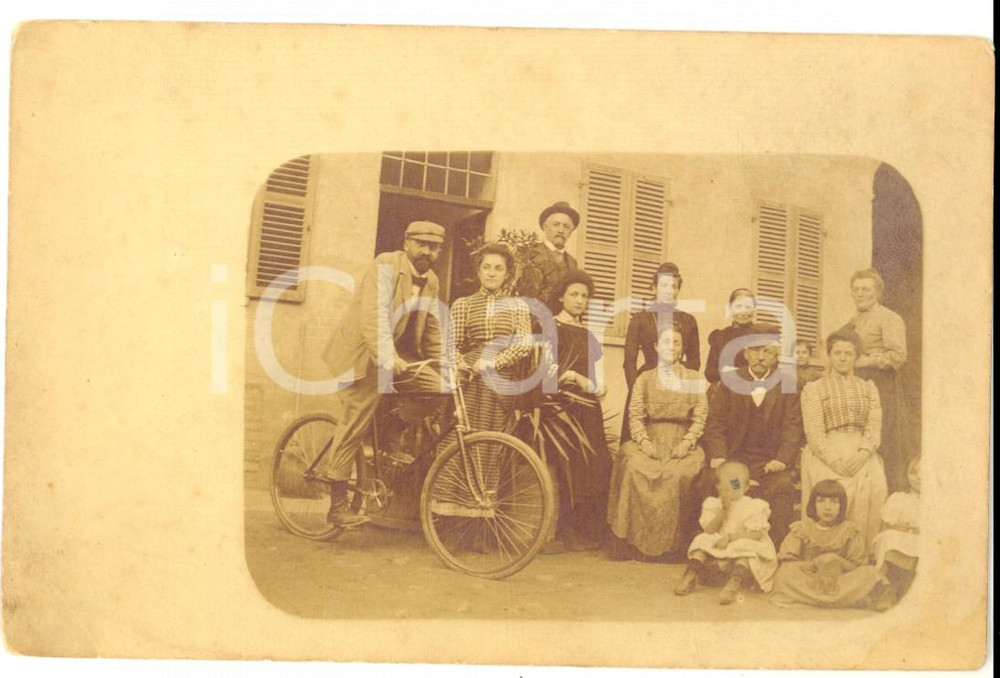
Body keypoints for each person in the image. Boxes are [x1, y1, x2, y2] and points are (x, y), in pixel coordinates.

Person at [319, 221, 448, 527]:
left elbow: (430, 328)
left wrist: (445, 365)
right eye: (421, 244)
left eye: (434, 247)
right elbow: (373, 316)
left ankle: (390, 431)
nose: (427, 252)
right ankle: (337, 505)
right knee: (356, 419)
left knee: (440, 390)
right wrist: (388, 356)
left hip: (398, 359)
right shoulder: (386, 265)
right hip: (363, 354)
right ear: (407, 243)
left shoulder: (431, 281)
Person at [607, 322, 708, 561]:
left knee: (679, 474)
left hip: (681, 440)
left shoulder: (693, 378)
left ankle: (671, 548)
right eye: (665, 342)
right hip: (650, 438)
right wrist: (642, 441)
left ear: (682, 349)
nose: (671, 347)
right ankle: (630, 544)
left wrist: (688, 442)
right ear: (655, 347)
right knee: (633, 467)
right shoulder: (645, 378)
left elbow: (701, 415)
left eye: (676, 342)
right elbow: (635, 414)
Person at [699, 322, 804, 548]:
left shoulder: (787, 383)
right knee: (715, 482)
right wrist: (719, 455)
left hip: (769, 463)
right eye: (755, 350)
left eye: (767, 351)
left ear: (776, 356)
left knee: (783, 487)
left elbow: (792, 427)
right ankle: (713, 545)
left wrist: (782, 459)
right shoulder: (730, 381)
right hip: (736, 461)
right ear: (746, 353)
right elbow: (715, 424)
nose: (760, 356)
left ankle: (773, 548)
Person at [541, 269, 613, 553]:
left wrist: (590, 384)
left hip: (588, 409)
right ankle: (564, 531)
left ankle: (589, 530)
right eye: (574, 294)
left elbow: (601, 383)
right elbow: (547, 372)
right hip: (560, 408)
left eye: (584, 296)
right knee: (567, 467)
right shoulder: (550, 328)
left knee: (598, 465)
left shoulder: (589, 334)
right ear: (561, 296)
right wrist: (571, 376)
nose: (580, 300)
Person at [800, 329, 887, 553]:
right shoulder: (814, 388)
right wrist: (834, 461)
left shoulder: (868, 387)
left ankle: (859, 554)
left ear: (856, 357)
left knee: (875, 487)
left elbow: (874, 425)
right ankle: (826, 553)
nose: (842, 358)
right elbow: (814, 431)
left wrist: (864, 453)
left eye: (848, 353)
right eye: (837, 352)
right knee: (831, 489)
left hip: (861, 449)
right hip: (826, 451)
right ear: (829, 355)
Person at [447, 242, 533, 434]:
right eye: (486, 267)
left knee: (495, 433)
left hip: (501, 377)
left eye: (498, 268)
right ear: (478, 271)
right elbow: (451, 345)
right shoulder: (463, 305)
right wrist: (460, 364)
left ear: (507, 273)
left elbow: (523, 344)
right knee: (463, 430)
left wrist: (493, 363)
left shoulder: (517, 306)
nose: (491, 273)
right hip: (470, 378)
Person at [839, 268, 909, 493]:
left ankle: (887, 494)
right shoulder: (853, 320)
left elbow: (898, 356)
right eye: (856, 289)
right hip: (855, 385)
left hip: (880, 385)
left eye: (866, 289)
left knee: (881, 438)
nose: (860, 294)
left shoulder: (889, 318)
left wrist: (865, 361)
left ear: (878, 292)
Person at [674, 460, 778, 604]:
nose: (731, 489)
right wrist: (723, 512)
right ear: (718, 486)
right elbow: (709, 530)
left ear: (747, 486)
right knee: (702, 539)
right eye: (726, 486)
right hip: (721, 545)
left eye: (736, 484)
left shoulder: (753, 506)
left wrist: (730, 537)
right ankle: (691, 575)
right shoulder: (713, 503)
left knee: (747, 552)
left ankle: (733, 585)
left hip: (744, 541)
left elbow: (756, 535)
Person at [770, 480, 885, 609]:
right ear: (813, 504)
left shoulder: (850, 531)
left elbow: (858, 566)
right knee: (784, 573)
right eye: (821, 501)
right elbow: (788, 563)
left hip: (840, 582)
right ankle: (843, 601)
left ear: (842, 506)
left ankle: (812, 600)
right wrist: (815, 563)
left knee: (869, 572)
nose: (827, 507)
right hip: (810, 581)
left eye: (834, 502)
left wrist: (837, 561)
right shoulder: (802, 529)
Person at [623, 262, 701, 389]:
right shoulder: (640, 319)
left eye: (674, 286)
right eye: (664, 285)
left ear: (678, 290)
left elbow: (695, 362)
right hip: (647, 384)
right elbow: (629, 363)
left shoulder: (688, 321)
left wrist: (677, 374)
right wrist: (636, 389)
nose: (669, 291)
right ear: (654, 288)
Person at [871, 457, 921, 609]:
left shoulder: (938, 502)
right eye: (914, 472)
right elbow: (887, 526)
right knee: (889, 538)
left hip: (925, 540)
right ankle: (888, 589)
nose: (919, 477)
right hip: (903, 538)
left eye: (925, 472)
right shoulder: (899, 499)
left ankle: (910, 591)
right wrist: (906, 529)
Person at [517, 201, 580, 313]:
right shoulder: (528, 254)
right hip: (530, 319)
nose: (561, 230)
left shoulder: (572, 263)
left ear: (570, 232)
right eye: (556, 225)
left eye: (566, 227)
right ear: (545, 228)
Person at [705, 288, 757, 385]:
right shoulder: (719, 336)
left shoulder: (760, 336)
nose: (743, 312)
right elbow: (709, 373)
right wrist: (725, 373)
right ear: (730, 308)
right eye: (738, 306)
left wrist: (736, 372)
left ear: (754, 310)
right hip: (721, 392)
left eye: (748, 307)